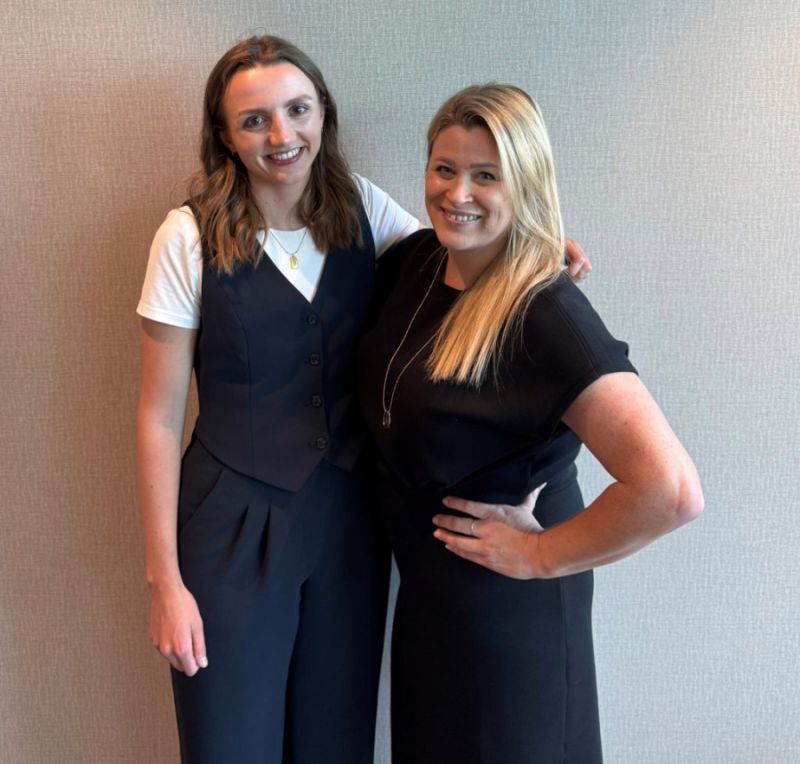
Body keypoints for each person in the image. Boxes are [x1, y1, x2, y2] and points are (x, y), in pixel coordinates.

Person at [136, 36, 591, 764]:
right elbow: (158, 418)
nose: (281, 135)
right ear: (224, 135)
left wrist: (537, 245)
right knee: (229, 743)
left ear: (323, 112)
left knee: (336, 742)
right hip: (231, 527)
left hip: (350, 524)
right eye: (254, 120)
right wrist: (165, 582)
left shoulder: (363, 208)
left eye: (298, 109)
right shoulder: (186, 238)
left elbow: (460, 253)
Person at [357, 84, 704, 764]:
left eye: (487, 176)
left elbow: (671, 490)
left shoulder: (546, 312)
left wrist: (538, 554)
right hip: (432, 606)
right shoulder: (418, 261)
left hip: (509, 616)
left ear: (526, 184)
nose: (458, 193)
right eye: (445, 168)